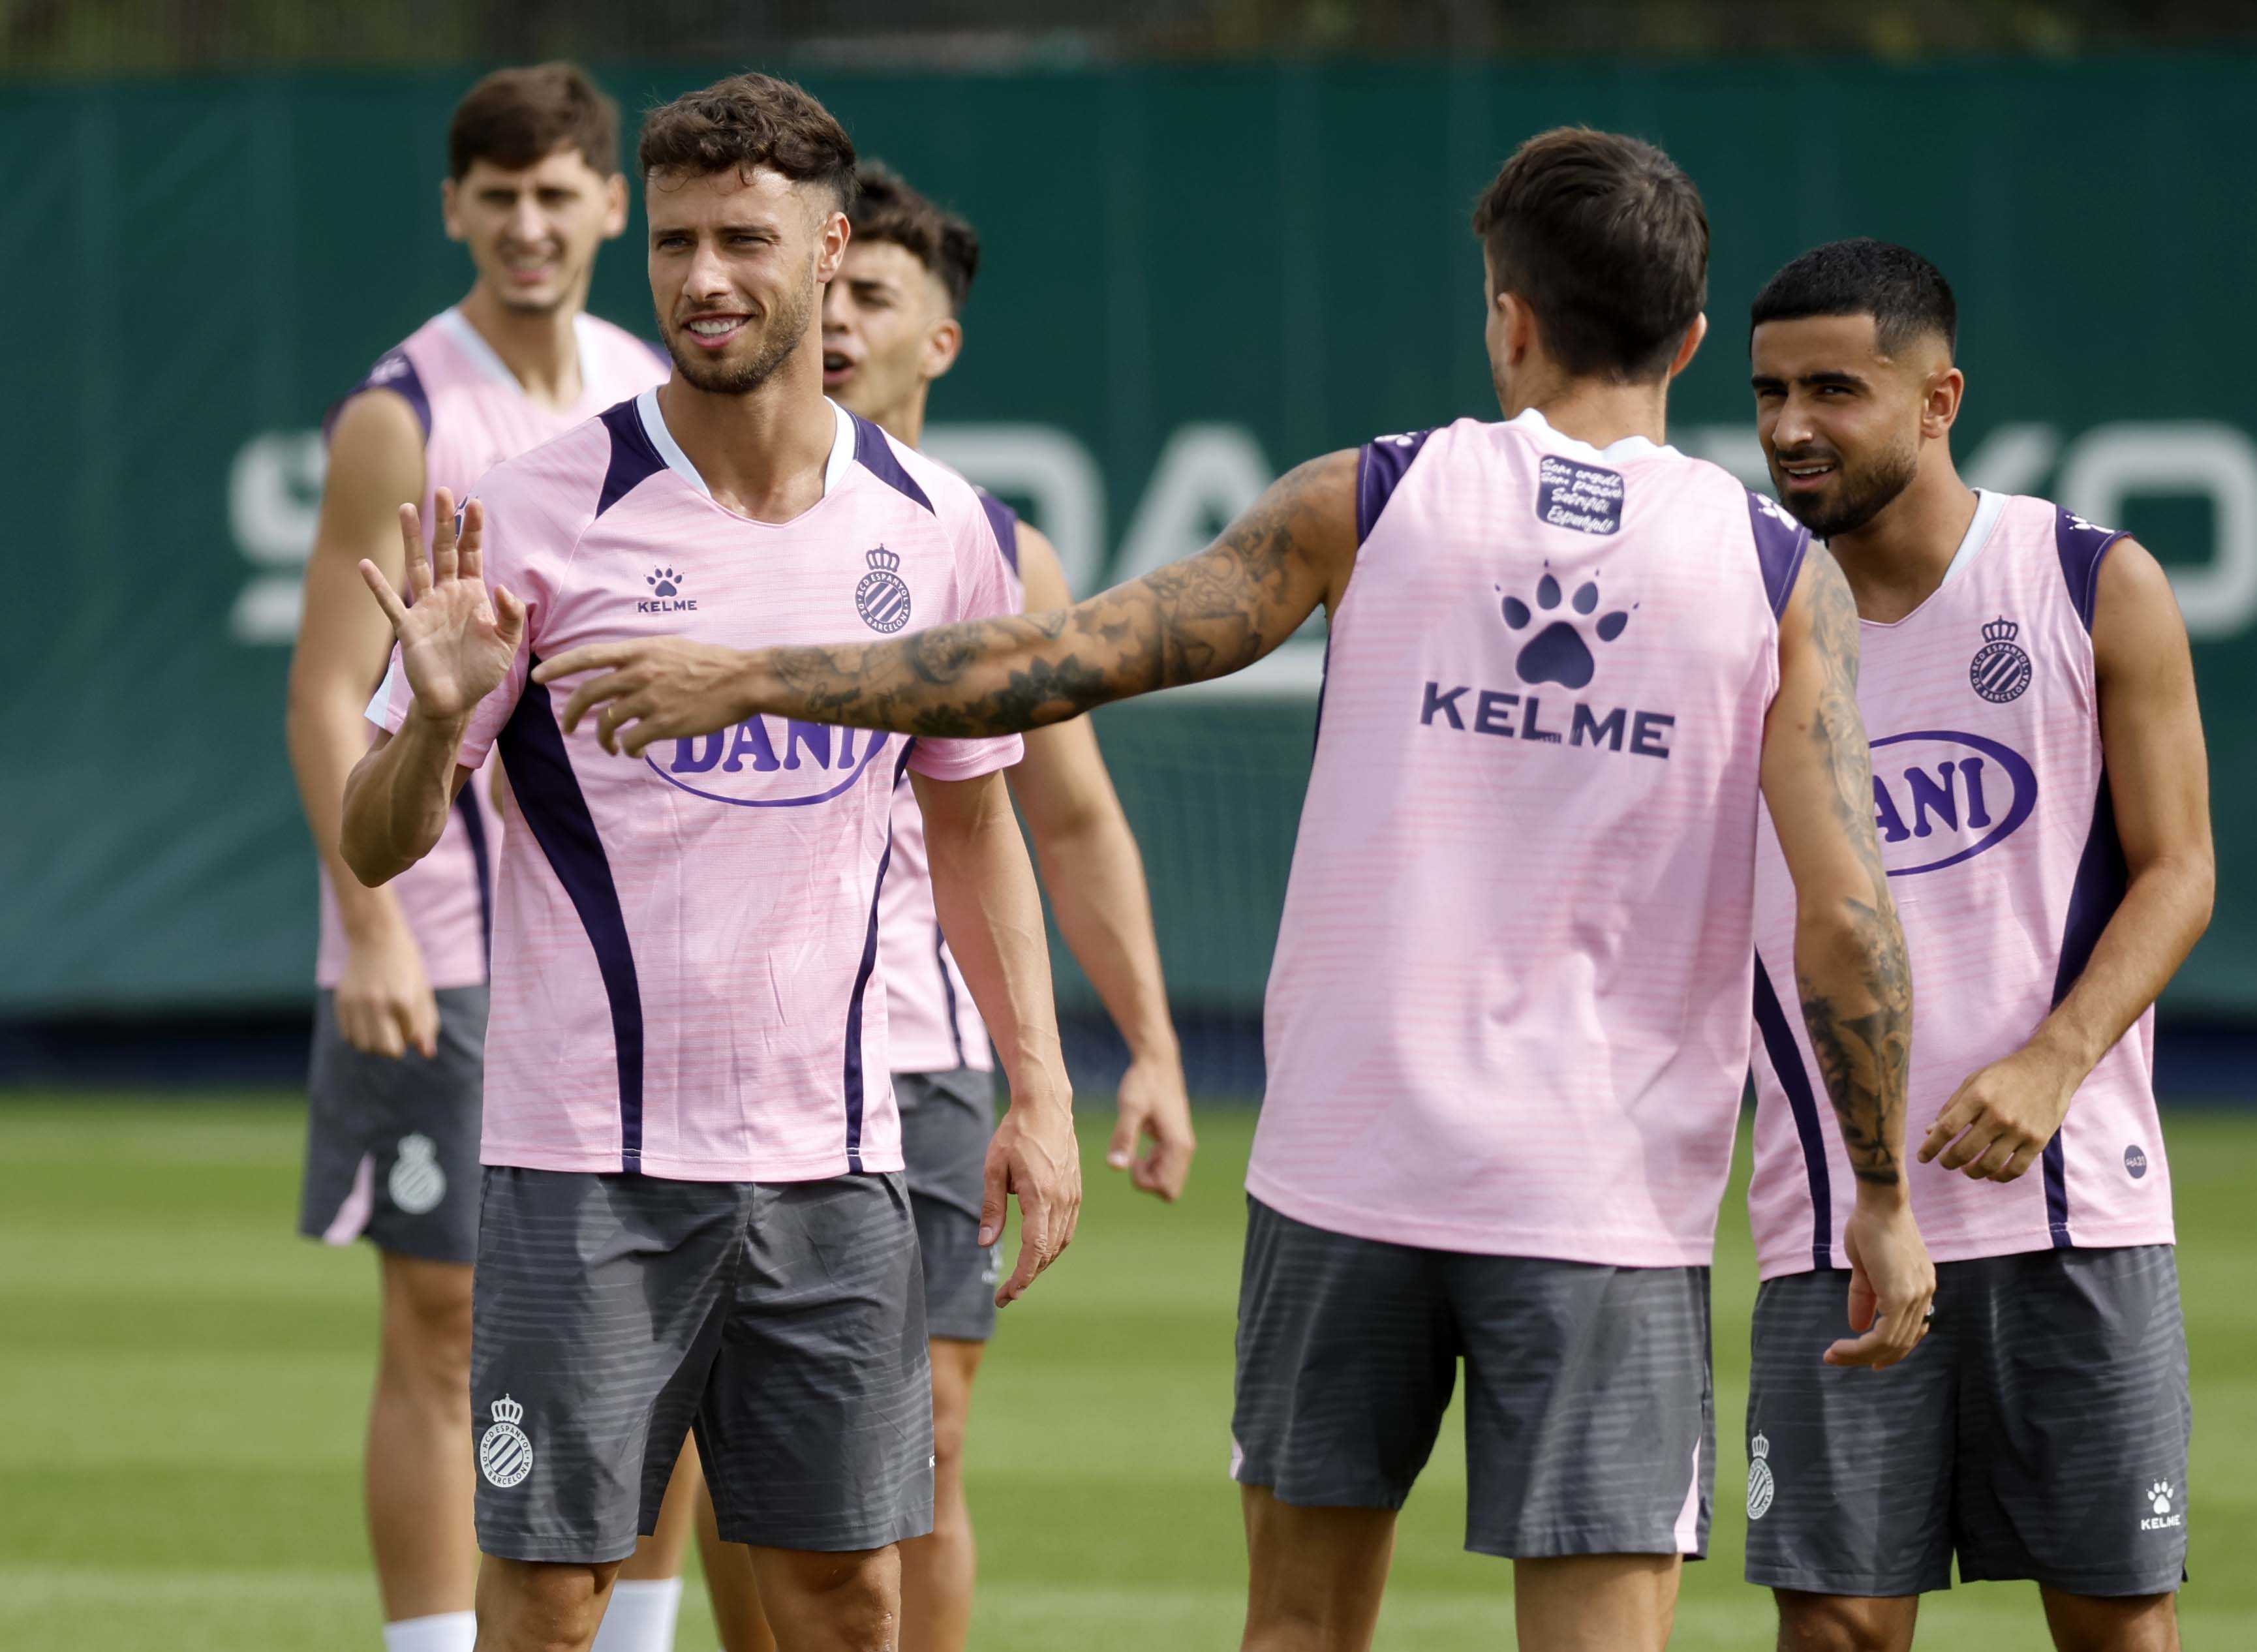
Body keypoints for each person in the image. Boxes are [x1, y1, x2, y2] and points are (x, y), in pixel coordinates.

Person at [530, 126, 1939, 1652]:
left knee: (1296, 1633)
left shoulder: (1368, 502)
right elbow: (1847, 924)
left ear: (1505, 316)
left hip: (1348, 1176)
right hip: (1603, 1202)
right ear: (1683, 334)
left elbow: (1050, 663)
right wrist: (1875, 1193)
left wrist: (756, 673)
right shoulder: (1772, 570)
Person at [336, 71, 1081, 1652]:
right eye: (674, 242)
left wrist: (1044, 1088)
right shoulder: (531, 510)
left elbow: (973, 822)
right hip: (584, 1169)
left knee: (844, 1601)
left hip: (840, 1164)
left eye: (743, 239)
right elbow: (378, 836)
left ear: (829, 253)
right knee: (548, 1601)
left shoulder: (941, 529)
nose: (701, 278)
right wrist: (431, 727)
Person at [684, 161, 1197, 1652]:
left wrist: (1146, 1045)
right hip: (746, 1044)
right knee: (755, 1454)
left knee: (931, 1437)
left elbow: (1073, 815)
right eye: (825, 291)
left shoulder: (992, 546)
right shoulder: (706, 519)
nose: (834, 321)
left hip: (927, 1050)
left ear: (938, 342)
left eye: (872, 300)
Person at [1740, 239, 2209, 1652]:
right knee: (1837, 1632)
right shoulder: (1737, 613)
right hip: (1828, 1213)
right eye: (1765, 392)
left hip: (2073, 1209)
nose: (1787, 427)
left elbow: (2179, 872)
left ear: (1937, 399)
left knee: (2114, 1630)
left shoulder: (2084, 583)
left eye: (1833, 388)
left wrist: (2051, 1065)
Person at [283, 62, 673, 1652]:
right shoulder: (405, 412)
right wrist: (367, 924)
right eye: (495, 195)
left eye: (555, 190)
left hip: (620, 922)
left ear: (608, 205)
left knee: (666, 1307)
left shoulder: (652, 383)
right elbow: (325, 685)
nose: (526, 223)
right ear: (454, 207)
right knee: (440, 1318)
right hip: (438, 918)